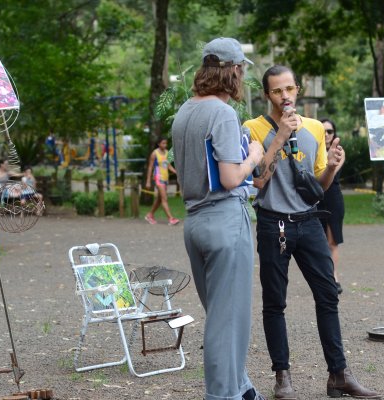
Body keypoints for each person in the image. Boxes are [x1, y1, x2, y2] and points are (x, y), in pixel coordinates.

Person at [244, 65, 380, 399]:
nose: (285, 96)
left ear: (298, 90)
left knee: (329, 295)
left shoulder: (315, 128)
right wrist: (279, 136)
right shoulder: (252, 128)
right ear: (267, 95)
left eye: (289, 89)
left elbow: (317, 187)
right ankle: (283, 377)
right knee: (275, 302)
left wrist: (332, 167)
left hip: (308, 221)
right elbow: (257, 179)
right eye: (277, 91)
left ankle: (339, 374)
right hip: (272, 222)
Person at [171, 37, 266, 400]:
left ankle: (241, 388)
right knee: (228, 323)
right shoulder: (223, 113)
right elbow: (229, 177)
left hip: (194, 222)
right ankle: (223, 395)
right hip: (225, 220)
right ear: (233, 71)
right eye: (241, 69)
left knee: (221, 318)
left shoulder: (185, 111)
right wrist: (254, 154)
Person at [318, 118, 344, 293]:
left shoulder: (339, 152)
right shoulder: (314, 150)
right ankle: (322, 276)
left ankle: (334, 277)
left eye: (330, 131)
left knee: (332, 242)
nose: (327, 134)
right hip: (316, 198)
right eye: (323, 131)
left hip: (333, 198)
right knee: (317, 242)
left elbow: (331, 173)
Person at [144, 137, 180, 225]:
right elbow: (150, 167)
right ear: (159, 144)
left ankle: (150, 215)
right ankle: (171, 219)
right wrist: (148, 181)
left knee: (159, 199)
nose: (165, 145)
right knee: (164, 198)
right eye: (163, 143)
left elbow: (168, 166)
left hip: (165, 178)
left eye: (166, 143)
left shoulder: (167, 153)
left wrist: (177, 172)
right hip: (158, 178)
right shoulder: (154, 153)